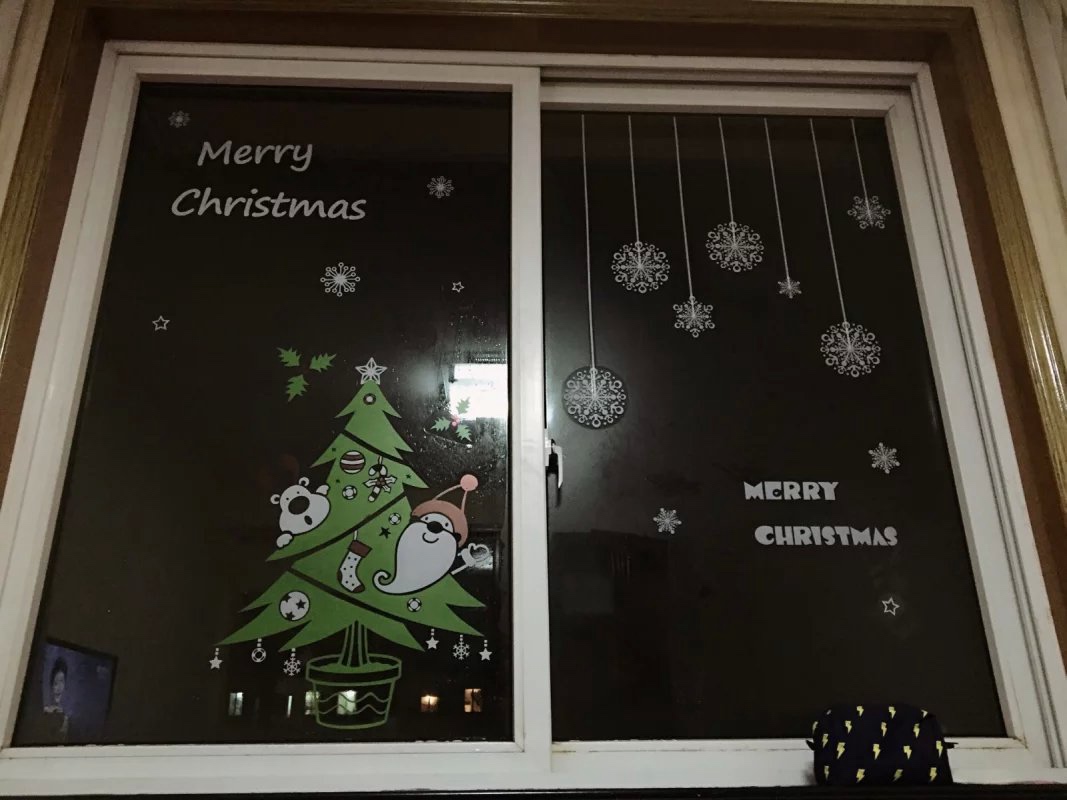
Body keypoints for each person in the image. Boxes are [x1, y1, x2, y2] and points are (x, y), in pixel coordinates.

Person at [42, 657, 69, 739]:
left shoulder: (66, 715)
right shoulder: (45, 711)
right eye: (56, 683)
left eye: (62, 681)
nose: (59, 687)